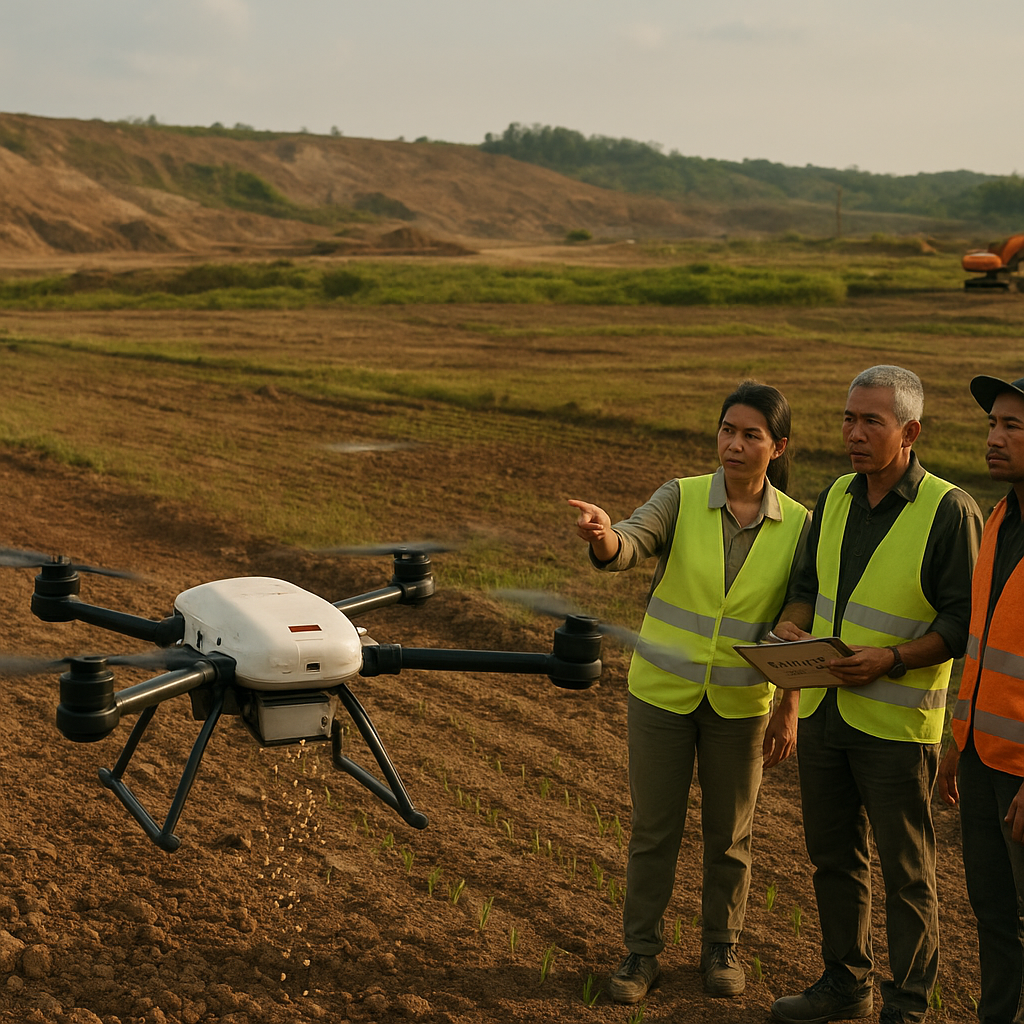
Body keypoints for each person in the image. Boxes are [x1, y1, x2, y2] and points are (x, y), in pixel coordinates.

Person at [570, 380, 810, 1005]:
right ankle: (640, 953)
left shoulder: (799, 526)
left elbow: (799, 614)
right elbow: (631, 540)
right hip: (662, 696)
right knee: (655, 829)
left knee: (731, 834)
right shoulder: (680, 497)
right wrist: (604, 537)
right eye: (727, 430)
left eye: (750, 434)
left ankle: (720, 948)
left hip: (740, 705)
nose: (734, 444)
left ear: (777, 445)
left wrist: (790, 708)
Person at [770, 365, 983, 1024]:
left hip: (898, 727)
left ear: (910, 431)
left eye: (871, 422)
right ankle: (845, 982)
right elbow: (807, 580)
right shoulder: (835, 493)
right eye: (847, 418)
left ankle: (908, 1005)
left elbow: (961, 623)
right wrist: (793, 624)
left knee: (906, 873)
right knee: (833, 858)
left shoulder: (949, 511)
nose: (854, 434)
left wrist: (891, 658)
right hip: (828, 715)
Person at [937, 374, 1024, 1024]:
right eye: (992, 423)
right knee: (994, 920)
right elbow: (983, 644)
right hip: (980, 759)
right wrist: (955, 742)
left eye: (1011, 427)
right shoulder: (1000, 516)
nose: (993, 439)